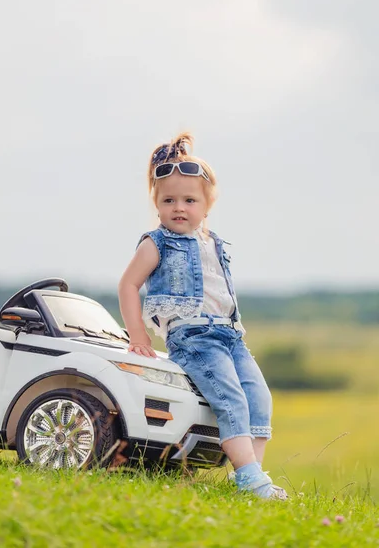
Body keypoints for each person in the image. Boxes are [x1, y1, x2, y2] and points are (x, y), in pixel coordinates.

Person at [118, 133, 287, 500]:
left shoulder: (216, 244)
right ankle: (249, 479)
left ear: (207, 205)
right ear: (157, 205)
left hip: (230, 335)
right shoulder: (156, 243)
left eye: (189, 200)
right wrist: (138, 335)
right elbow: (128, 285)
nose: (179, 207)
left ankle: (252, 475)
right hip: (193, 338)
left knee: (259, 398)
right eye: (168, 200)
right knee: (231, 399)